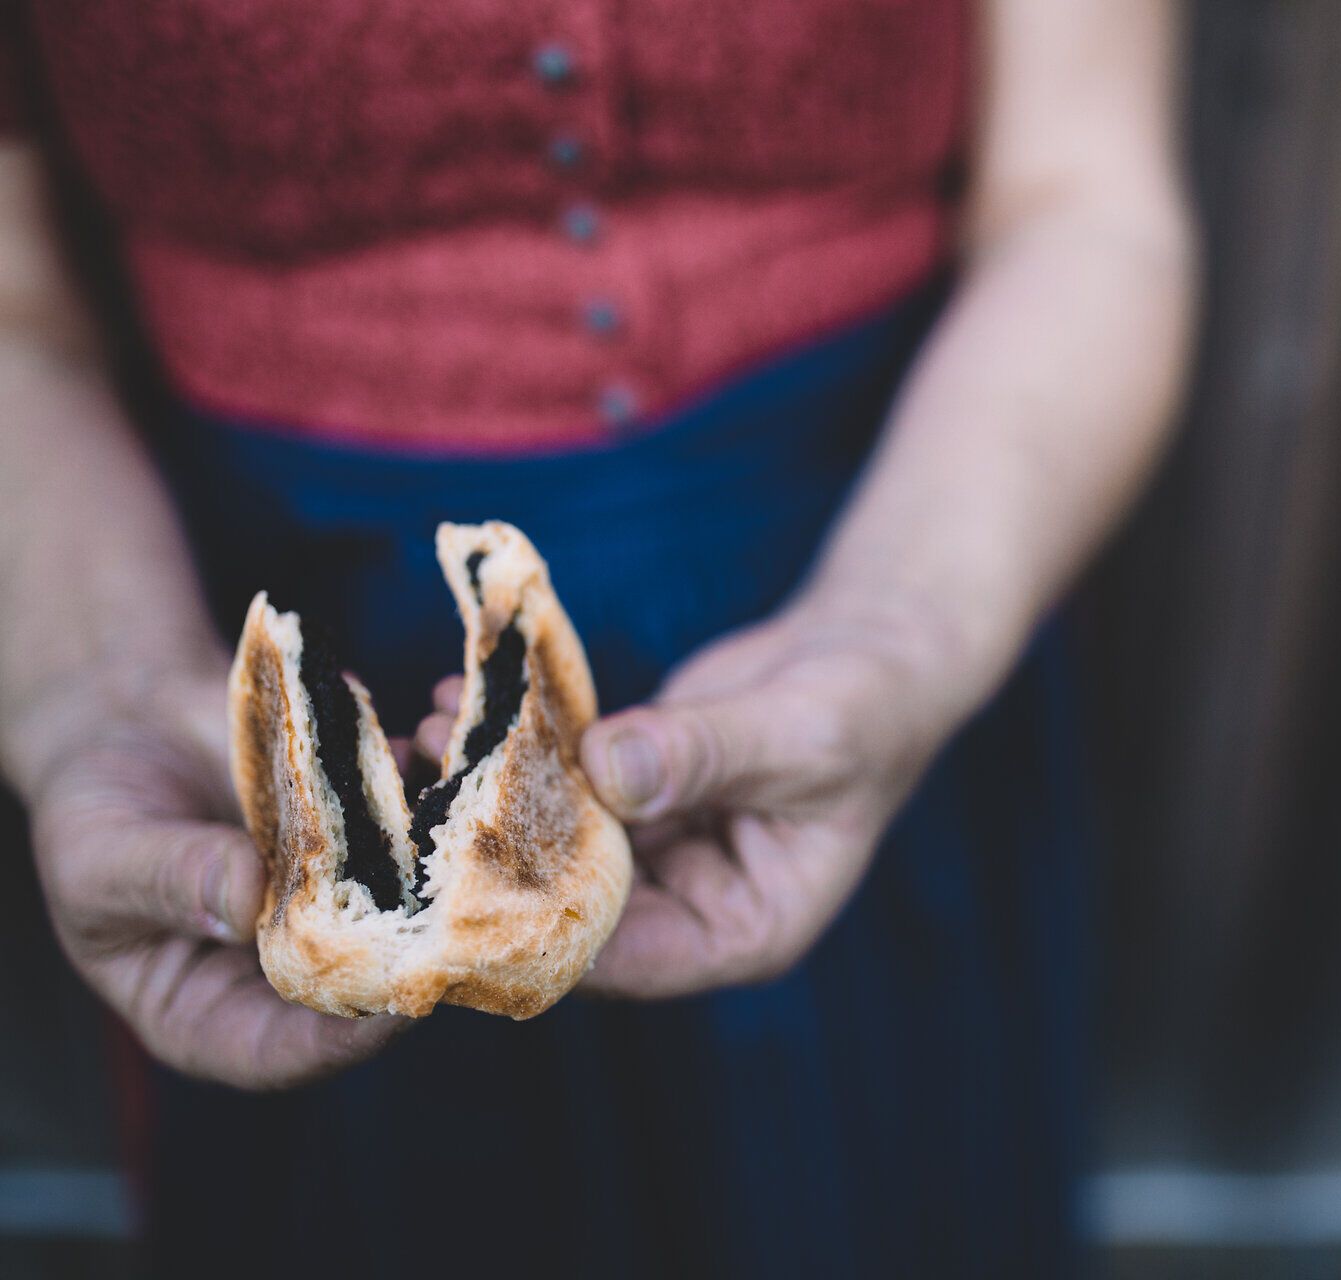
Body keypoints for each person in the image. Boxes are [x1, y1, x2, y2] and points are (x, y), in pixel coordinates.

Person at [0, 2, 1193, 1273]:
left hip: (887, 571)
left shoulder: (891, 635)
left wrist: (903, 631)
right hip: (263, 642)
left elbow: (1083, 199)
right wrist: (88, 684)